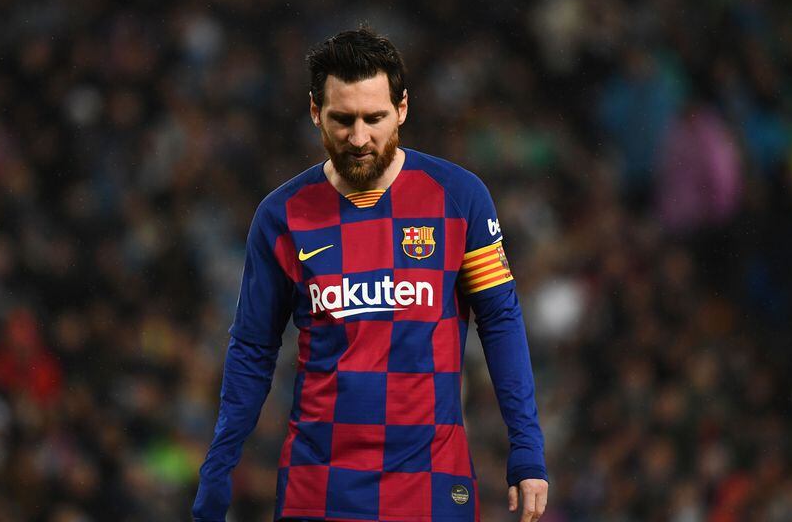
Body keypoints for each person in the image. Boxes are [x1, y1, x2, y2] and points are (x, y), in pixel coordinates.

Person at [193, 28, 549, 522]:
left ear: (402, 109)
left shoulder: (459, 198)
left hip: (430, 482)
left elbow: (501, 320)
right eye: (342, 119)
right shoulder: (282, 216)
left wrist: (527, 448)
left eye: (374, 118)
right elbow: (253, 347)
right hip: (319, 485)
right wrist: (220, 463)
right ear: (315, 111)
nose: (359, 138)